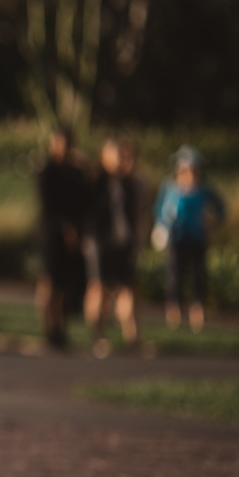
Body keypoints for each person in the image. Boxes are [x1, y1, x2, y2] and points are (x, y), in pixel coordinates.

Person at [153, 146, 225, 332]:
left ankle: (197, 311)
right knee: (174, 275)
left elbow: (221, 209)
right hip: (176, 238)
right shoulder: (170, 187)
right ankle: (173, 312)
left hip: (197, 237)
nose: (189, 173)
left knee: (198, 275)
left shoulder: (204, 189)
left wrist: (212, 220)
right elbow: (159, 210)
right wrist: (164, 223)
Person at [82, 139, 143, 355]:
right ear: (104, 157)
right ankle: (99, 337)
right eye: (114, 153)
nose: (120, 158)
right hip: (99, 242)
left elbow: (134, 214)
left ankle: (133, 338)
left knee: (128, 287)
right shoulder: (94, 182)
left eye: (121, 153)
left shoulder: (127, 183)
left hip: (123, 242)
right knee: (98, 288)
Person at [35, 128, 89, 349]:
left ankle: (60, 329)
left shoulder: (75, 173)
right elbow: (48, 206)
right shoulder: (46, 172)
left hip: (72, 238)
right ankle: (49, 328)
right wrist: (66, 227)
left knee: (65, 286)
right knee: (50, 282)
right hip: (51, 235)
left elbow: (84, 199)